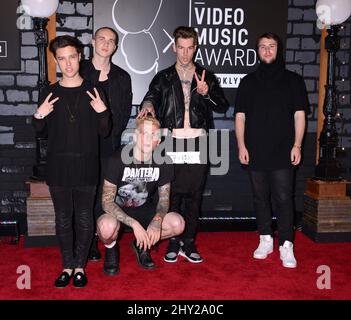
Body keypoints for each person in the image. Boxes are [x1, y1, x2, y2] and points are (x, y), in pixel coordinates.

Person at [138, 26, 229, 263]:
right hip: (172, 141)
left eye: (190, 48)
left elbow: (222, 106)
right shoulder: (164, 77)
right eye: (181, 48)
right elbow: (151, 96)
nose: (185, 53)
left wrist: (207, 92)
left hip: (198, 142)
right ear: (174, 47)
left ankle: (189, 243)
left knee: (195, 195)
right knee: (171, 194)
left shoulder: (206, 75)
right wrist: (148, 105)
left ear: (195, 47)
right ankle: (173, 241)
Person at [32, 35, 111, 288]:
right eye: (62, 59)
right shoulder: (50, 91)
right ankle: (67, 265)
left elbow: (105, 131)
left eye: (72, 57)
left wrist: (103, 113)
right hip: (58, 167)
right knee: (63, 218)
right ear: (56, 61)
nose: (68, 64)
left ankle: (80, 266)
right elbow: (39, 131)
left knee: (85, 217)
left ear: (80, 57)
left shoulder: (94, 90)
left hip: (87, 166)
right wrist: (39, 115)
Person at [234, 32, 308, 268]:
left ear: (278, 50)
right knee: (259, 197)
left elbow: (299, 115)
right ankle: (265, 238)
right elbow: (240, 117)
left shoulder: (293, 81)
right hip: (254, 150)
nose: (267, 50)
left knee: (284, 198)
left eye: (272, 46)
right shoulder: (247, 82)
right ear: (257, 51)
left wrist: (297, 145)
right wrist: (241, 145)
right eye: (263, 46)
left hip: (284, 151)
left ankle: (287, 244)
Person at [98, 116, 185, 273]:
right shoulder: (117, 159)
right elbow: (106, 202)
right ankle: (110, 248)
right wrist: (134, 224)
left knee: (178, 224)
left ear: (158, 142)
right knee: (106, 228)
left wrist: (157, 221)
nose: (148, 139)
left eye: (153, 135)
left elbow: (164, 200)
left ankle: (142, 245)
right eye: (144, 133)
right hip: (116, 211)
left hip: (144, 209)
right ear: (135, 136)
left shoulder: (164, 161)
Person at [80, 27, 133, 262]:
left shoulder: (122, 77)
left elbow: (122, 114)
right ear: (92, 42)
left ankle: (103, 238)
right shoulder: (78, 71)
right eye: (101, 39)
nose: (105, 43)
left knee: (104, 196)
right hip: (80, 147)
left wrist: (109, 133)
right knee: (84, 196)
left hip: (109, 147)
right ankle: (87, 241)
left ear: (115, 47)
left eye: (111, 41)